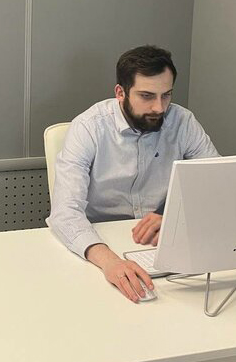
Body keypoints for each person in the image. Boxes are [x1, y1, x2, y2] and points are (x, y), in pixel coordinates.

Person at [46, 45, 219, 303]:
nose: (159, 108)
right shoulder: (89, 127)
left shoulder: (183, 122)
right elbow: (65, 212)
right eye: (146, 96)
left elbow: (215, 181)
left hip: (161, 242)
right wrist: (109, 262)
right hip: (98, 244)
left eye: (166, 95)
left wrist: (173, 215)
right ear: (120, 92)